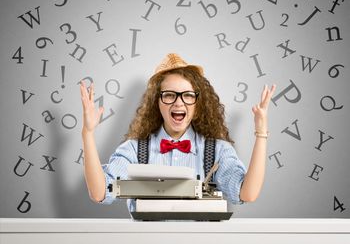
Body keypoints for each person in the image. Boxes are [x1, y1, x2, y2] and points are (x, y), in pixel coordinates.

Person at [80, 53, 276, 212]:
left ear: (197, 104)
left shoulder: (217, 151)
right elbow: (99, 193)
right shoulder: (134, 150)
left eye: (188, 95)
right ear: (157, 103)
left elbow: (247, 194)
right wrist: (88, 133)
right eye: (169, 95)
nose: (179, 102)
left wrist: (261, 132)